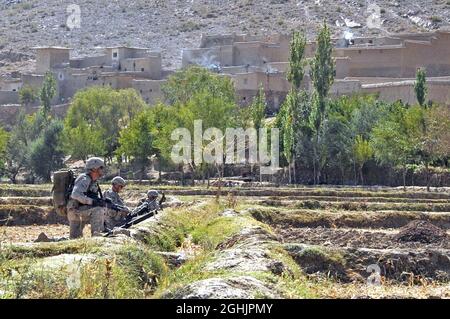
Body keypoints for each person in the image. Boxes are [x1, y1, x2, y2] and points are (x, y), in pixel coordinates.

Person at [66, 157, 106, 239]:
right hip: (75, 210)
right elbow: (75, 194)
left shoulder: (93, 181)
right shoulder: (84, 178)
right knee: (98, 210)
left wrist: (99, 200)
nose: (102, 170)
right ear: (94, 168)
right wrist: (92, 202)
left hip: (81, 209)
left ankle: (101, 232)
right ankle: (97, 236)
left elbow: (91, 195)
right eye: (101, 167)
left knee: (75, 238)